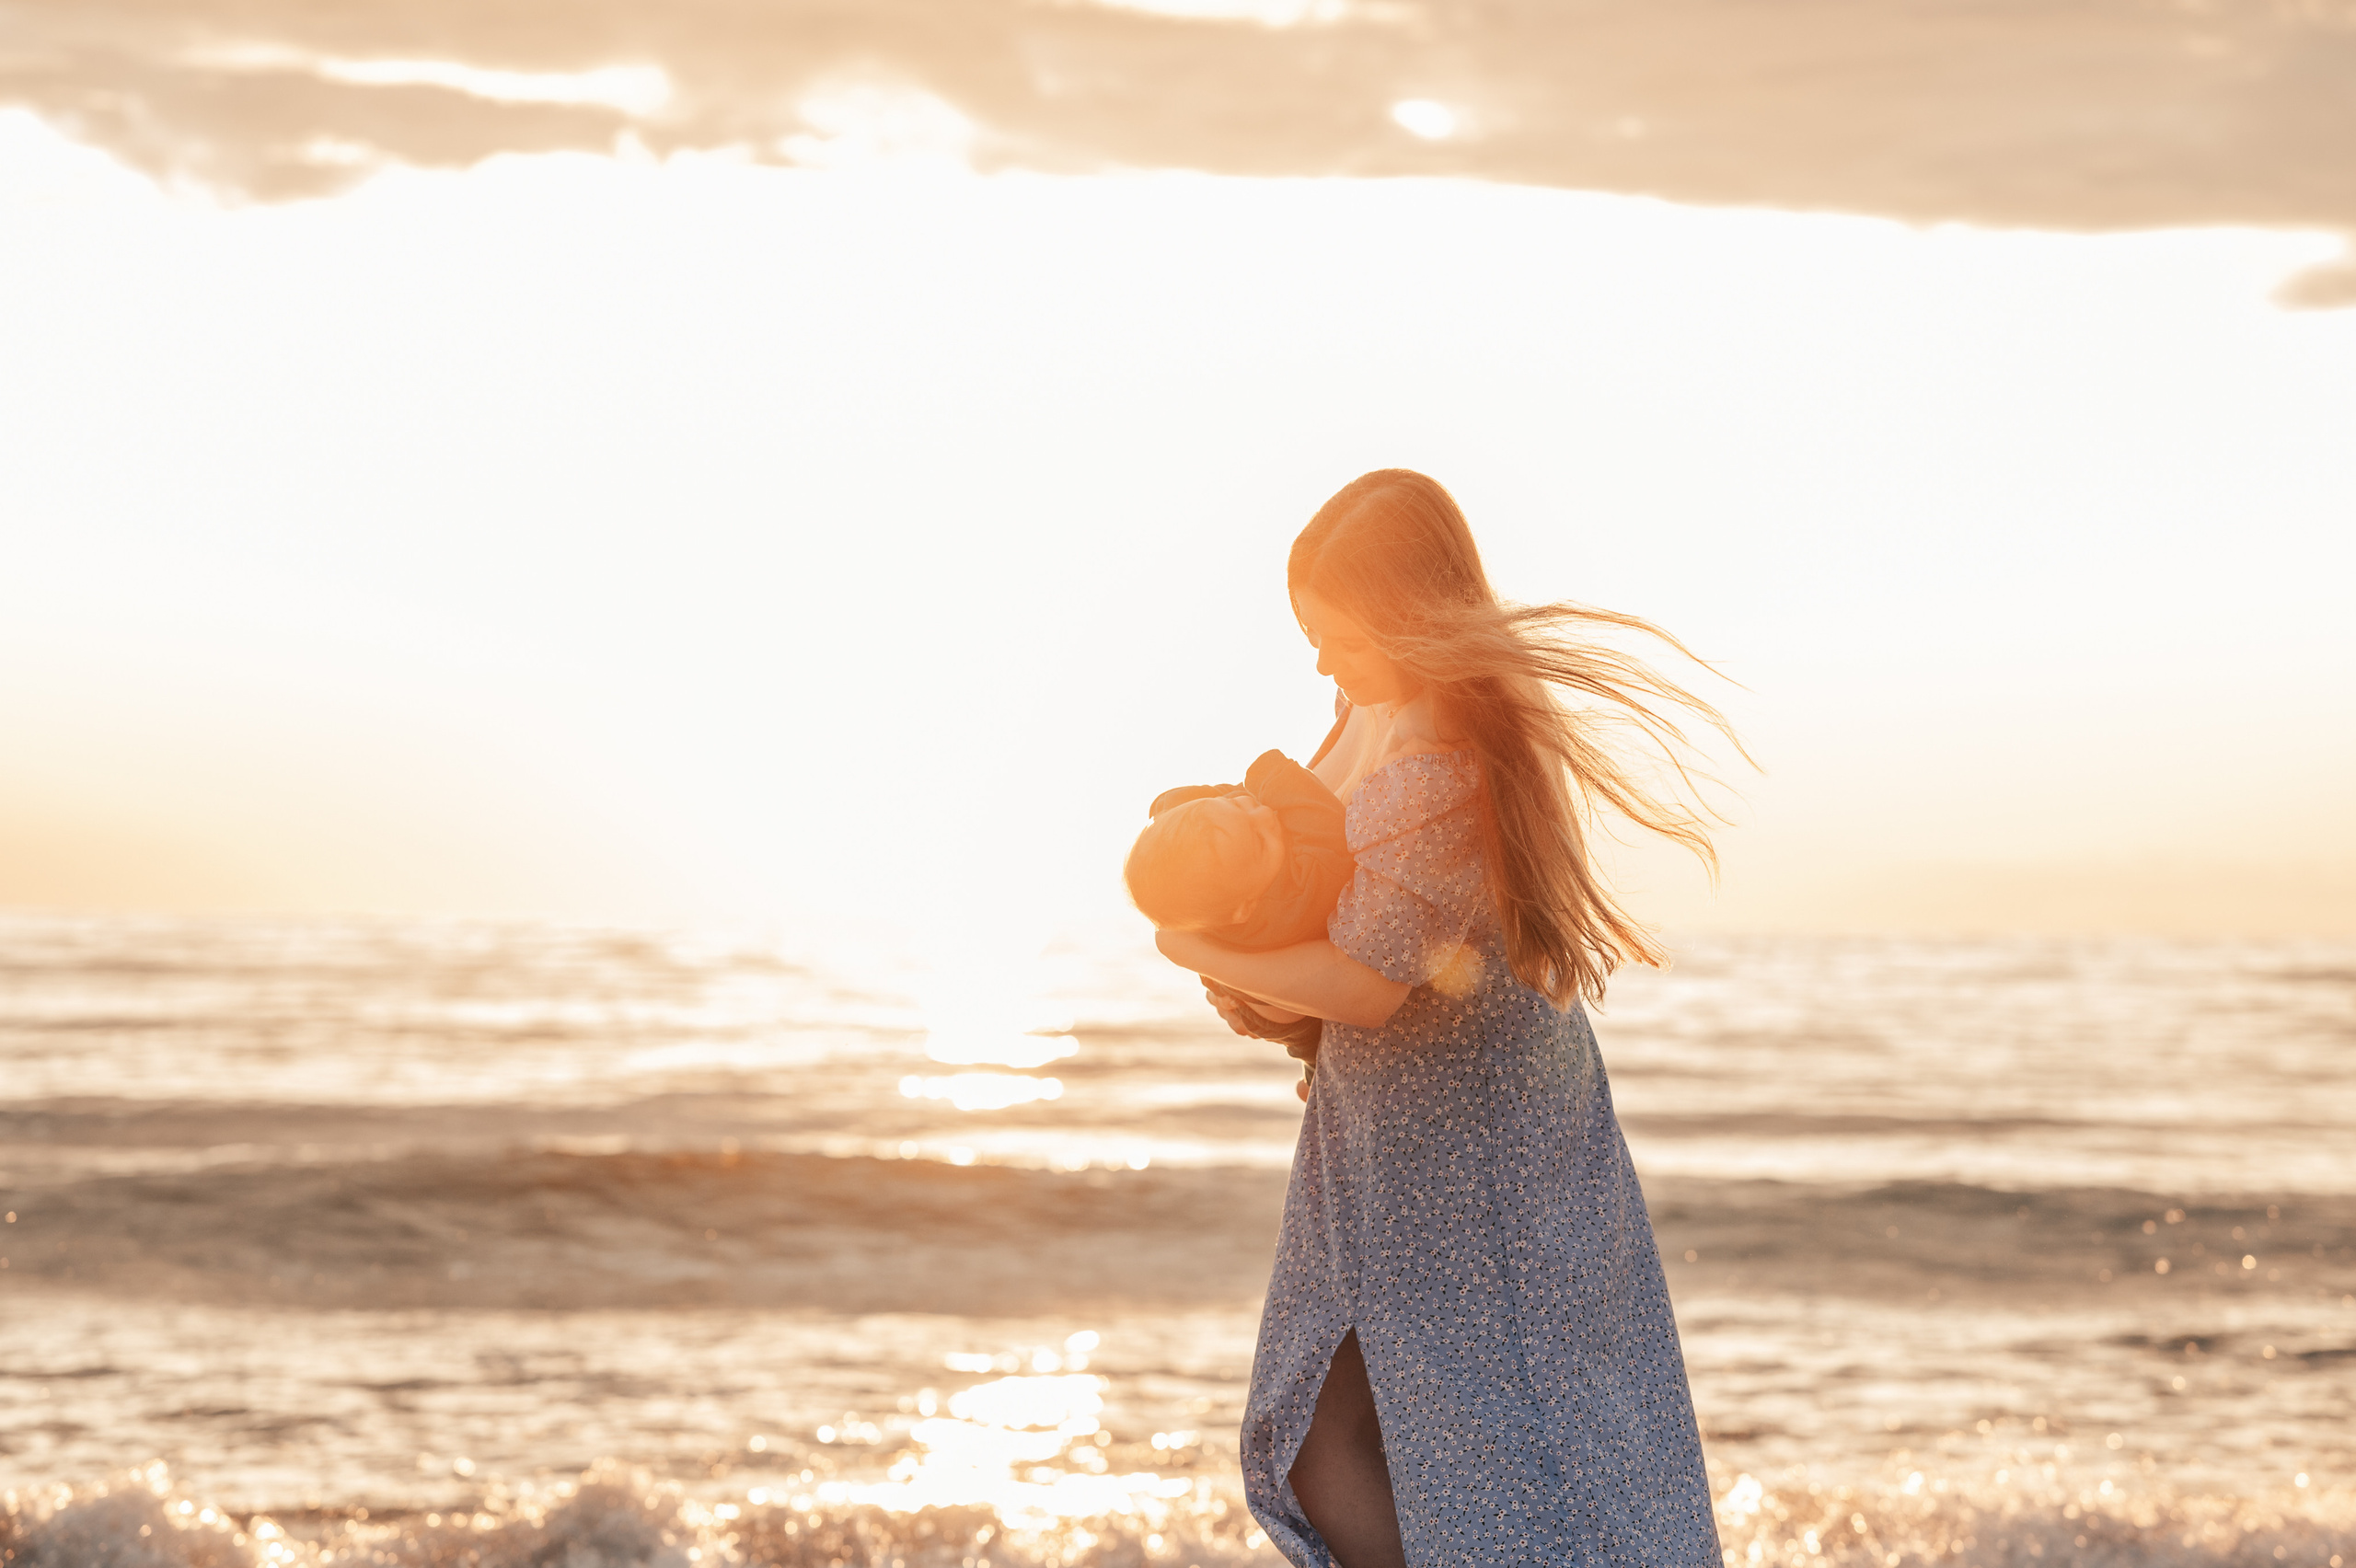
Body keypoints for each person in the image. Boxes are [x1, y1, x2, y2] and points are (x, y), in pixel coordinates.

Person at [1151, 469, 1741, 1568]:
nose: (1322, 662)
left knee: (1523, 1456)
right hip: (1383, 1139)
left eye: (1339, 636)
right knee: (1325, 1443)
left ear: (1410, 621)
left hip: (1480, 1161)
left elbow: (1369, 982)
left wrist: (1194, 946)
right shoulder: (1368, 717)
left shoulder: (1440, 771)